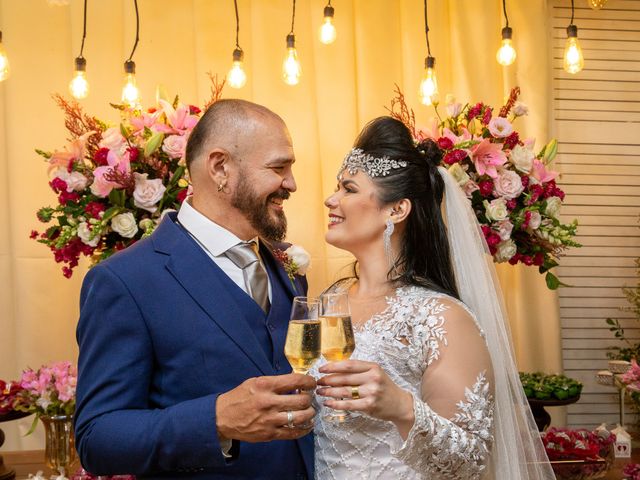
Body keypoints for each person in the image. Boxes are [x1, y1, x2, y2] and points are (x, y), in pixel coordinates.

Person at [75, 99, 315, 479]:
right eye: (278, 167)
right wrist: (215, 420)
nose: (291, 184)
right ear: (220, 167)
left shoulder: (288, 265)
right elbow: (97, 438)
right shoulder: (125, 280)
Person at [313, 116, 555, 479]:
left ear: (396, 209)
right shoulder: (328, 301)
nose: (331, 199)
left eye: (348, 188)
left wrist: (401, 407)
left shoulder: (441, 317)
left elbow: (469, 461)